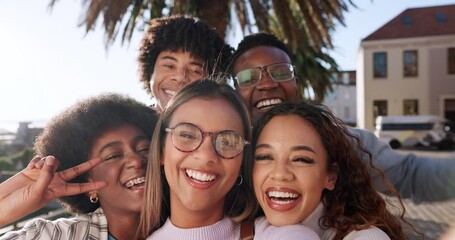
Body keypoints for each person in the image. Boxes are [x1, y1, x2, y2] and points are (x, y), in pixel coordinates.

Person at [230, 32, 455, 202]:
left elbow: (409, 175)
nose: (268, 83)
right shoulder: (222, 149)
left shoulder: (341, 141)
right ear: (236, 92)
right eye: (249, 77)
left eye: (280, 72)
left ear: (296, 83)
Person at [137, 79, 319, 240]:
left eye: (227, 141)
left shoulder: (278, 235)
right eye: (187, 134)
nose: (207, 155)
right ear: (161, 150)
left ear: (242, 161)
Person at [0, 93, 159, 240]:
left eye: (145, 149)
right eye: (113, 156)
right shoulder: (58, 236)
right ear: (89, 185)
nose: (137, 161)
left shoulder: (182, 227)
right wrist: (5, 209)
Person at [250, 101, 418, 240]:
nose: (280, 174)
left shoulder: (366, 237)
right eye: (265, 157)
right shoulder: (241, 230)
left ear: (330, 176)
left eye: (301, 159)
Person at [138, 15, 234, 112]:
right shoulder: (128, 124)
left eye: (194, 71)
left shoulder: (224, 126)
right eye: (169, 66)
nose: (180, 77)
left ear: (211, 80)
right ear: (150, 71)